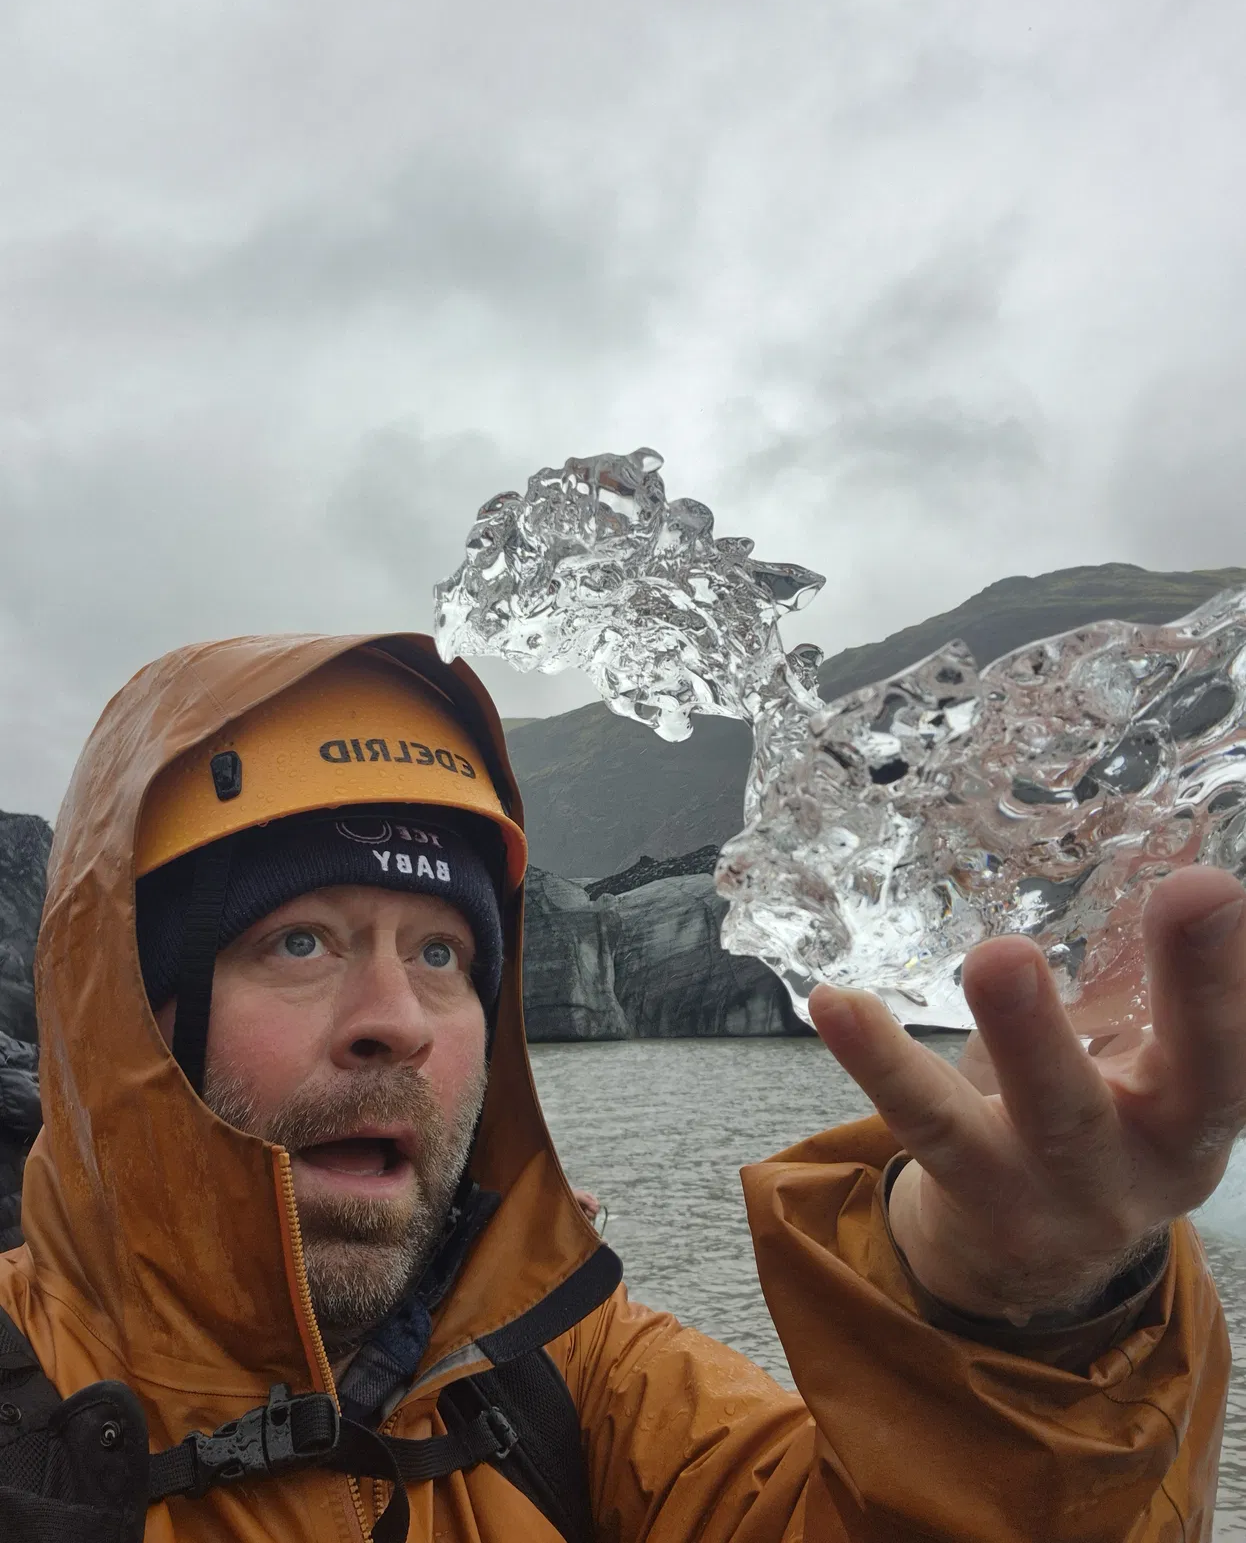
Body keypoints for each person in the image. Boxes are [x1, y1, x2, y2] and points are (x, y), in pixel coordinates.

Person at [0, 631, 1234, 1542]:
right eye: (300, 940)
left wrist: (1015, 1309)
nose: (397, 1024)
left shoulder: (564, 1374)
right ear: (128, 1012)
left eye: (443, 954)